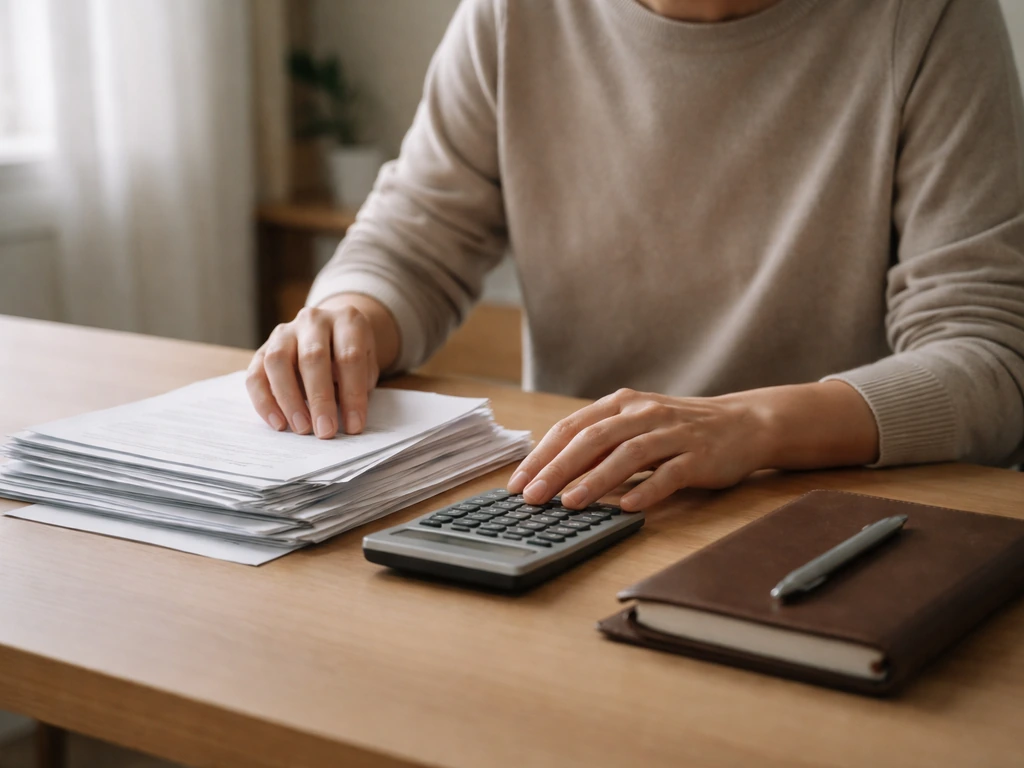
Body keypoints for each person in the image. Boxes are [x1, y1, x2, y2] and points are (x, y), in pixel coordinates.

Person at [246, 0, 1024, 513]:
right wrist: (347, 315)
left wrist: (752, 423)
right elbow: (415, 237)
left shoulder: (929, 16)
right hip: (575, 502)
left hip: (831, 511)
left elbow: (988, 359)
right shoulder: (513, 13)